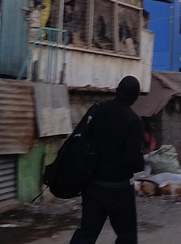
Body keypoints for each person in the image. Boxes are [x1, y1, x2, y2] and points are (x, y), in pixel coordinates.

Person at [71, 76, 144, 244]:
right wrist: (143, 159)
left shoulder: (98, 110)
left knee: (87, 232)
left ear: (117, 90)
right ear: (135, 97)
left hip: (93, 184)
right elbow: (133, 161)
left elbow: (82, 141)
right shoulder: (134, 121)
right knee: (127, 236)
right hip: (118, 189)